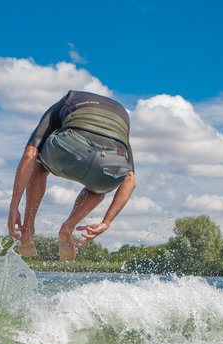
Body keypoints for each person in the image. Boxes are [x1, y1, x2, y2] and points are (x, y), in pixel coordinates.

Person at [7, 90, 136, 261]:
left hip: (74, 142)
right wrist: (107, 221)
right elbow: (131, 179)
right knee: (98, 189)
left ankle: (28, 229)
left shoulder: (65, 101)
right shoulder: (121, 117)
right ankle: (68, 227)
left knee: (38, 165)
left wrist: (14, 206)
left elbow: (30, 154)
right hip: (111, 159)